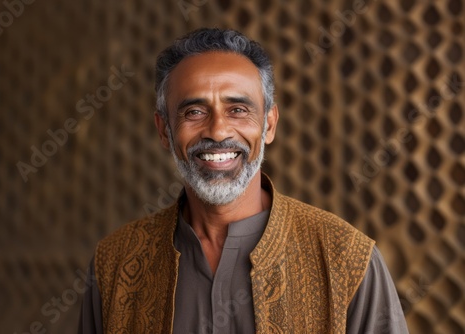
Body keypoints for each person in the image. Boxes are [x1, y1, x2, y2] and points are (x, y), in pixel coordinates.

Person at [78, 28, 409, 334]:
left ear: (269, 125)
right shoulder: (116, 263)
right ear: (164, 129)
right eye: (194, 112)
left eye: (238, 109)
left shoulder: (347, 259)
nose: (218, 130)